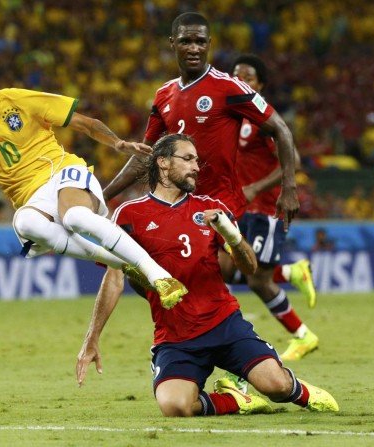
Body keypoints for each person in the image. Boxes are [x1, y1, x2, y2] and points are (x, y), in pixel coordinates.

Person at [76, 134, 339, 417]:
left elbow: (249, 268)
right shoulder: (129, 215)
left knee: (276, 386)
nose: (196, 167)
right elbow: (114, 279)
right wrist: (92, 338)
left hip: (224, 324)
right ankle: (237, 400)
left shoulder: (209, 208)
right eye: (187, 159)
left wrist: (231, 235)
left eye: (197, 161)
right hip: (176, 338)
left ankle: (301, 390)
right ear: (163, 163)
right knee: (175, 407)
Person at [104, 13, 316, 360]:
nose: (193, 48)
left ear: (209, 45)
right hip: (180, 206)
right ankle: (214, 352)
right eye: (186, 41)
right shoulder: (164, 95)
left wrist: (288, 186)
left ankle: (246, 361)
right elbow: (146, 156)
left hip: (220, 205)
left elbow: (281, 129)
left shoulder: (228, 87)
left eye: (200, 41)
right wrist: (103, 194)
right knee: (141, 273)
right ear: (172, 44)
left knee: (218, 278)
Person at [0, 53, 187, 307]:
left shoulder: (19, 100)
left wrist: (117, 143)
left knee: (75, 217)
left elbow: (87, 124)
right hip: (33, 200)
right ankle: (121, 262)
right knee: (25, 222)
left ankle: (160, 276)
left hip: (63, 172)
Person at [218, 54, 319, 362]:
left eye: (247, 77)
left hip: (264, 209)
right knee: (224, 269)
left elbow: (296, 161)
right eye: (236, 75)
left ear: (259, 85)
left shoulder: (262, 119)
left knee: (257, 280)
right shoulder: (232, 117)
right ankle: (290, 272)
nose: (240, 80)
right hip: (240, 209)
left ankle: (303, 335)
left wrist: (256, 188)